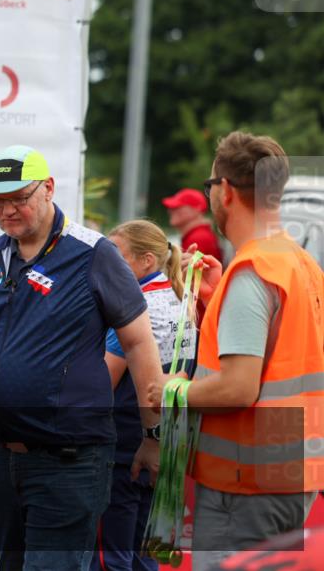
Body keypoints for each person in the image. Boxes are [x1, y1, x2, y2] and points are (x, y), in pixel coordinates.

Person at [0, 145, 164, 571]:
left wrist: (153, 434)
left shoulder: (94, 253)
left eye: (19, 197)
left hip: (69, 462)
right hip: (0, 458)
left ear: (49, 189)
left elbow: (140, 343)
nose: (8, 210)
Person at [147, 132, 324, 571]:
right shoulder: (298, 262)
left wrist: (175, 390)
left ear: (225, 190)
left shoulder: (254, 270)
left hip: (247, 481)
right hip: (287, 468)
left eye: (210, 186)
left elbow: (240, 386)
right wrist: (211, 301)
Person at [91, 220, 193, 571]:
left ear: (147, 260)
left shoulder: (135, 308)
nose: (105, 266)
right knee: (144, 553)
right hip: (169, 442)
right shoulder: (184, 300)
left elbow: (104, 378)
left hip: (126, 444)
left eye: (116, 257)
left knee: (113, 554)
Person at [162, 188, 223, 263]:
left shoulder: (198, 239)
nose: (170, 210)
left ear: (197, 208)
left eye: (178, 207)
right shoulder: (198, 235)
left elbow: (191, 274)